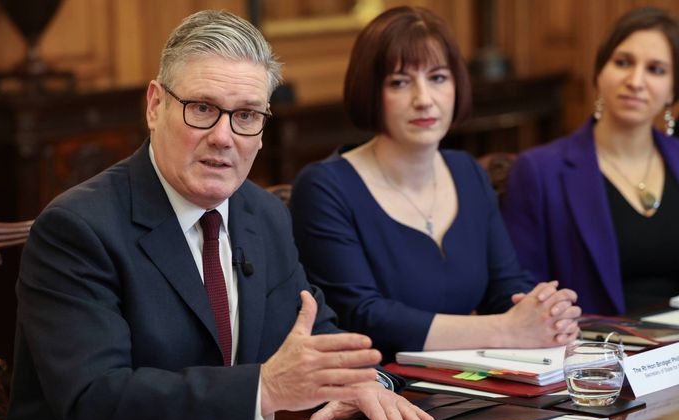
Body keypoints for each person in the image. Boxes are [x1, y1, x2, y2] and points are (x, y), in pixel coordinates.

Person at [4, 10, 439, 420]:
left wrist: (363, 382)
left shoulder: (264, 214)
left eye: (246, 115)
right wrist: (263, 390)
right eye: (202, 108)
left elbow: (313, 332)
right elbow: (94, 401)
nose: (223, 137)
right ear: (155, 106)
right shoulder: (77, 230)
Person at [290, 5, 580, 361]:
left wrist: (545, 314)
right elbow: (363, 316)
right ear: (370, 91)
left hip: (472, 380)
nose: (424, 99)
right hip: (379, 390)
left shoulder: (467, 172)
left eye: (438, 78)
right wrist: (506, 329)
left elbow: (505, 287)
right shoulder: (324, 187)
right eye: (400, 82)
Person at [502, 7, 679, 315]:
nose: (636, 81)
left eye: (656, 69)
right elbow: (521, 292)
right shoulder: (539, 171)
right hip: (594, 350)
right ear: (599, 73)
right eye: (623, 63)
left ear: (672, 92)